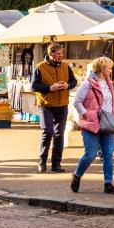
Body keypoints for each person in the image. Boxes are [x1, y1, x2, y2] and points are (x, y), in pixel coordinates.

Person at [72, 57, 114, 194]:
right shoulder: (87, 84)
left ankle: (108, 183)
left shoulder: (109, 83)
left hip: (108, 122)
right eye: (109, 68)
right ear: (101, 69)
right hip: (91, 124)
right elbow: (77, 102)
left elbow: (111, 104)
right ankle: (77, 175)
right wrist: (87, 114)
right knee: (90, 154)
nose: (111, 70)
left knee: (108, 155)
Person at [32, 43, 77, 173]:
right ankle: (42, 161)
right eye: (58, 53)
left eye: (62, 53)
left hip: (62, 104)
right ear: (51, 53)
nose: (61, 56)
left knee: (59, 134)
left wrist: (67, 85)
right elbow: (34, 86)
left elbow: (74, 82)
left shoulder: (65, 66)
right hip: (46, 105)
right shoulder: (40, 67)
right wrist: (50, 88)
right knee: (48, 132)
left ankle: (56, 163)